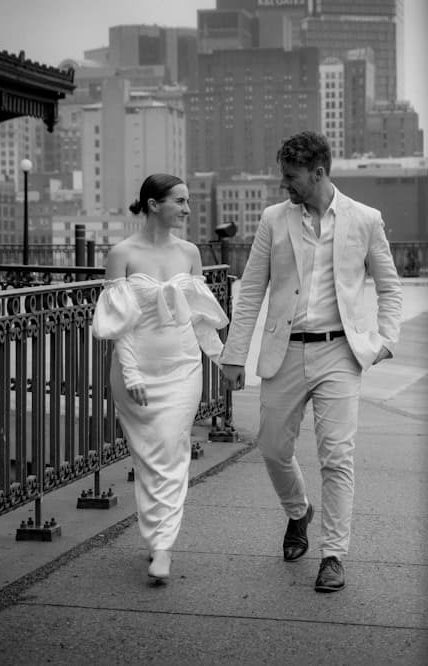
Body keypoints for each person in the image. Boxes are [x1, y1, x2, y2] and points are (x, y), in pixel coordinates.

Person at [220, 131, 403, 593]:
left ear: (318, 173)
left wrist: (385, 340)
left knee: (337, 455)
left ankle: (333, 555)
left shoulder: (366, 219)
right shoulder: (273, 220)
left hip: (341, 352)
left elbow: (390, 286)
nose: (284, 184)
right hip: (285, 351)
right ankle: (299, 512)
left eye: (291, 176)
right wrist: (235, 354)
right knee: (273, 447)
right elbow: (250, 293)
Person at [91, 173, 229, 582]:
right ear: (154, 204)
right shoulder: (122, 253)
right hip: (137, 372)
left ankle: (162, 545)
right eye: (180, 201)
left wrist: (222, 360)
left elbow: (201, 318)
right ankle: (156, 538)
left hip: (184, 368)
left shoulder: (189, 252)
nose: (188, 209)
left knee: (172, 449)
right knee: (149, 457)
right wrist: (130, 372)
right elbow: (120, 323)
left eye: (187, 202)